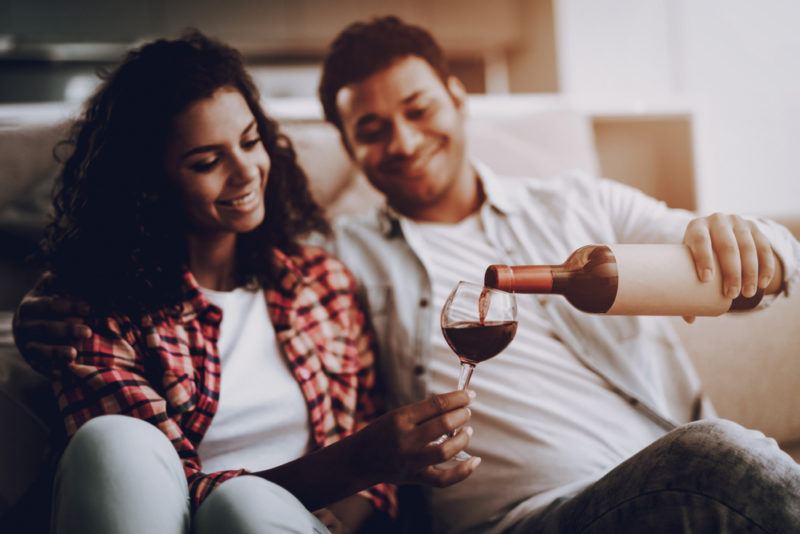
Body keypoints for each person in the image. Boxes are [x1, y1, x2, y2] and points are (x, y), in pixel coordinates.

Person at [16, 17, 800, 533]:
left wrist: (749, 237)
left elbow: (762, 266)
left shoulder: (577, 204)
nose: (404, 141)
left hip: (648, 479)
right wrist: (34, 311)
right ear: (349, 150)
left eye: (421, 109)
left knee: (718, 454)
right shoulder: (341, 258)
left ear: (461, 99)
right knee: (722, 454)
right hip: (518, 520)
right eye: (372, 129)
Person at [12, 31, 482, 534]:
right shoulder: (87, 314)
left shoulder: (320, 285)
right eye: (206, 162)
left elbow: (373, 480)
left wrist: (344, 504)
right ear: (147, 184)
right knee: (113, 442)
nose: (245, 173)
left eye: (250, 141)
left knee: (247, 510)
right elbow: (160, 493)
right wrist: (352, 464)